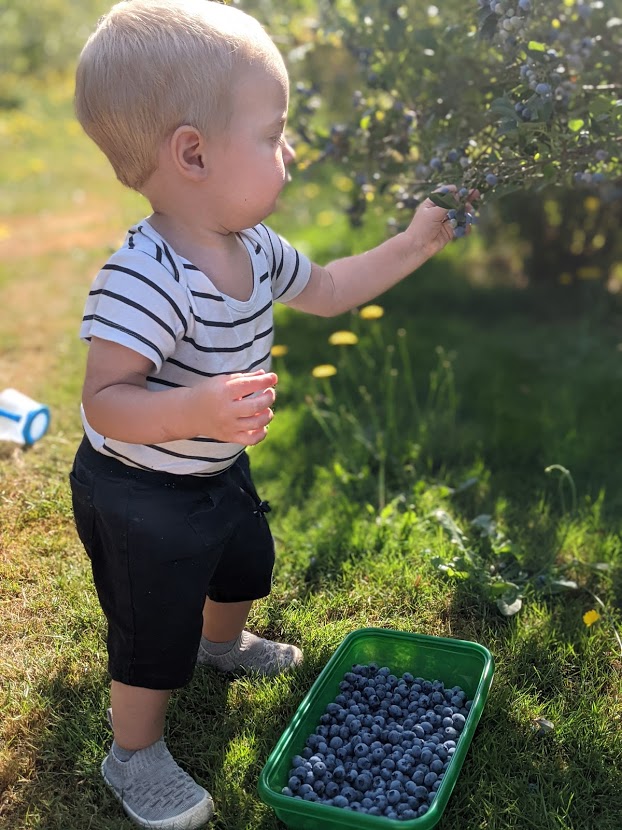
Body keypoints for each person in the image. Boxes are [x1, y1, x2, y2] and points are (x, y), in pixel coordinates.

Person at [69, 1, 478, 827]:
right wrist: (197, 407)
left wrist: (412, 243)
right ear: (193, 153)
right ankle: (134, 754)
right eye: (273, 134)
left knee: (241, 561)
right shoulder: (144, 275)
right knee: (152, 628)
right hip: (139, 491)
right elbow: (105, 402)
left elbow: (326, 290)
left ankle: (221, 646)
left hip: (213, 465)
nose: (287, 153)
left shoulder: (254, 246)